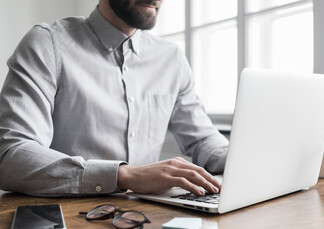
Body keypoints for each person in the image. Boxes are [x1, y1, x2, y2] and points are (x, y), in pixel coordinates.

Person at [0, 0, 229, 197]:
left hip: (147, 220)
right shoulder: (47, 45)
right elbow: (10, 156)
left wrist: (242, 160)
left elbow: (202, 139)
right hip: (67, 221)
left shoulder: (172, 59)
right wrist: (123, 175)